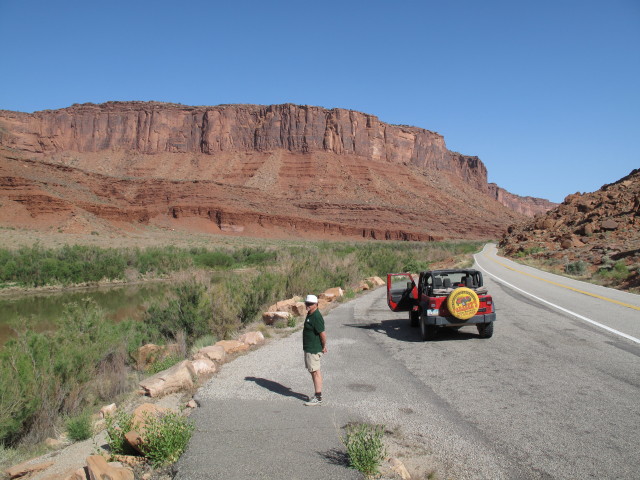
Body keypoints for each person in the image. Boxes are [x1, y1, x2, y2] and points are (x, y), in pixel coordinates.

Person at [302, 294, 327, 406]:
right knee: (313, 371)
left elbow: (322, 334)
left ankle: (318, 396)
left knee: (315, 372)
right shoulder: (310, 314)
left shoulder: (316, 316)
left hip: (313, 349)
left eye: (310, 304)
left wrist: (323, 346)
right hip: (309, 348)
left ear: (316, 304)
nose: (307, 305)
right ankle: (317, 395)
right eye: (306, 303)